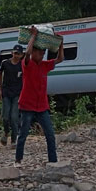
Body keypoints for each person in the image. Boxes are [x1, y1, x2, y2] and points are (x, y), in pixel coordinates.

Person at [15, 27, 63, 165]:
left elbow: (60, 58)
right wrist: (33, 37)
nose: (42, 55)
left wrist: (61, 43)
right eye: (40, 53)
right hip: (27, 105)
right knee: (23, 135)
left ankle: (53, 161)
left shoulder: (45, 65)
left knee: (50, 135)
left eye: (43, 53)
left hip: (42, 106)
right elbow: (27, 53)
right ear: (34, 52)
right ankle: (18, 160)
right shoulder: (27, 64)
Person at [0, 44, 23, 146]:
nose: (16, 55)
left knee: (14, 117)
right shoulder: (5, 63)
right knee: (5, 116)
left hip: (17, 92)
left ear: (21, 55)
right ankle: (6, 131)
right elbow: (0, 74)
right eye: (15, 53)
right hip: (7, 92)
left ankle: (13, 139)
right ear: (12, 53)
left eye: (18, 54)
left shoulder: (22, 65)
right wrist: (0, 88)